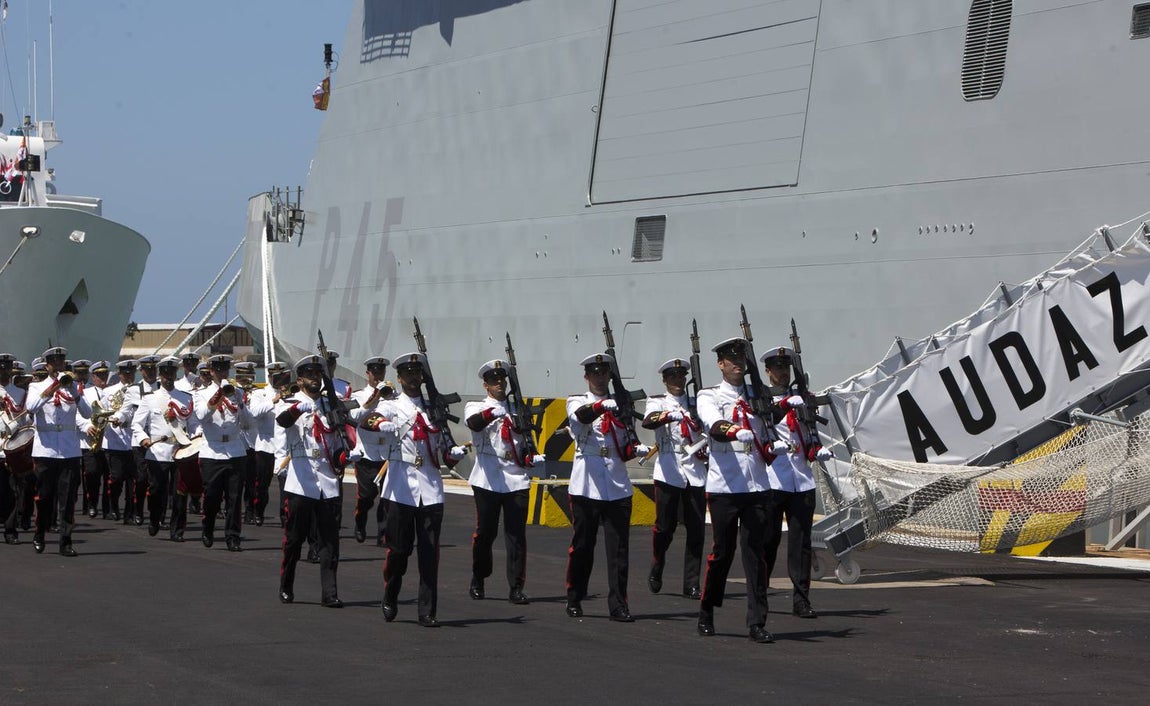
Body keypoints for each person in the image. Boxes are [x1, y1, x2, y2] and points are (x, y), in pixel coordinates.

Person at [696, 337, 784, 644]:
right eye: (731, 359)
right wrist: (735, 429)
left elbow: (773, 421)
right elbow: (714, 425)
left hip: (757, 485)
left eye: (741, 359)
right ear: (720, 364)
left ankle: (757, 621)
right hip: (724, 485)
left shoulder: (757, 395)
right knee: (722, 552)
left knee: (755, 556)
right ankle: (707, 610)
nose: (737, 363)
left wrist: (784, 406)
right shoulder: (709, 395)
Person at [377, 352, 467, 626]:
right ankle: (391, 593)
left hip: (430, 489)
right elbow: (370, 420)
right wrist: (382, 423)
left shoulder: (435, 410)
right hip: (400, 489)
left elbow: (445, 452)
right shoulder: (392, 406)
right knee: (399, 551)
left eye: (417, 373)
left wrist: (455, 453)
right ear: (400, 378)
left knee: (430, 553)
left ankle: (427, 611)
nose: (414, 378)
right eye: (408, 374)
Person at [564, 353, 648, 623]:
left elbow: (625, 438)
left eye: (605, 373)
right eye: (595, 373)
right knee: (583, 546)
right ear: (587, 376)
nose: (601, 377)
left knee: (619, 550)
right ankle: (575, 596)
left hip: (616, 482)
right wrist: (603, 407)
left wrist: (635, 447)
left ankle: (619, 604)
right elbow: (581, 417)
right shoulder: (577, 400)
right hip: (587, 483)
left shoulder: (622, 405)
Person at [759, 346, 832, 620]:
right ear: (767, 371)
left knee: (801, 544)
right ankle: (760, 590)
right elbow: (765, 418)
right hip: (773, 478)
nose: (782, 372)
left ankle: (801, 599)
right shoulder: (761, 398)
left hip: (801, 479)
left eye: (785, 368)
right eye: (777, 368)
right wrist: (784, 405)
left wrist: (817, 450)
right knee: (768, 540)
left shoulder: (803, 398)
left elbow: (810, 430)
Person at [464, 359, 545, 605]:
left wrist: (531, 455)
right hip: (488, 476)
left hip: (516, 476)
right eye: (494, 381)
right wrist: (490, 413)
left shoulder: (517, 408)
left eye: (502, 380)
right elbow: (473, 423)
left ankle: (516, 587)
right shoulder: (475, 406)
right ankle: (479, 577)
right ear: (486, 385)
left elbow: (524, 438)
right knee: (486, 533)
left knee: (516, 535)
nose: (499, 384)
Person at [275, 355, 344, 608]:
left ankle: (330, 593)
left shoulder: (332, 405)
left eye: (319, 374)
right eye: (310, 375)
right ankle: (286, 584)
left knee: (329, 542)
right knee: (294, 539)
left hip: (327, 480)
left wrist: (346, 455)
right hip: (301, 481)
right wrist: (296, 410)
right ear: (300, 379)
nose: (315, 379)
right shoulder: (291, 402)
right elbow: (281, 420)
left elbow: (338, 440)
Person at [642, 358, 707, 599]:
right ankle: (657, 564)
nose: (678, 381)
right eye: (673, 377)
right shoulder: (657, 402)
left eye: (681, 376)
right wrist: (669, 416)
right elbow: (648, 421)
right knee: (665, 528)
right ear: (665, 380)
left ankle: (691, 583)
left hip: (695, 469)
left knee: (696, 530)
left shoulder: (696, 402)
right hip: (669, 469)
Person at [24, 346, 91, 556]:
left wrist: (75, 392)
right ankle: (39, 534)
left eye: (61, 361)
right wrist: (52, 387)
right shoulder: (36, 387)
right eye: (55, 362)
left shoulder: (74, 387)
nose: (59, 365)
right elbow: (31, 407)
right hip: (45, 450)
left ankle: (66, 540)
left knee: (68, 498)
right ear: (47, 365)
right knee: (44, 497)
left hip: (70, 451)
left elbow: (87, 413)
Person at [193, 354, 252, 551]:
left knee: (234, 498)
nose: (222, 373)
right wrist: (219, 395)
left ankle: (233, 536)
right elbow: (202, 416)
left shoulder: (238, 392)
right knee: (211, 497)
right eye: (218, 369)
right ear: (211, 371)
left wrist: (240, 402)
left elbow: (248, 423)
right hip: (213, 451)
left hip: (235, 450)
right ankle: (208, 528)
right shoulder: (200, 393)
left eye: (225, 369)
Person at [132, 356, 193, 537]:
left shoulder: (185, 398)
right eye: (165, 373)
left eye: (172, 372)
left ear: (176, 374)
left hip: (181, 450)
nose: (168, 377)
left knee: (180, 492)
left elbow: (194, 423)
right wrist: (143, 438)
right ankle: (155, 518)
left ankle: (177, 530)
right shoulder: (151, 399)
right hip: (158, 451)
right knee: (157, 490)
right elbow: (136, 424)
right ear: (160, 375)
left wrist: (195, 439)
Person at [347, 355, 394, 544]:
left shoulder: (392, 395)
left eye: (381, 372)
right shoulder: (359, 395)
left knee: (386, 497)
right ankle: (360, 522)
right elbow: (354, 416)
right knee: (366, 497)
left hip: (387, 453)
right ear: (368, 373)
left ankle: (383, 534)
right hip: (367, 453)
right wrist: (373, 399)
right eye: (374, 372)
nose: (378, 375)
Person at [245, 361, 288, 527]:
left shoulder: (289, 393)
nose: (276, 378)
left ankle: (285, 516)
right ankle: (258, 511)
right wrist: (273, 401)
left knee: (286, 483)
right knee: (262, 483)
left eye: (280, 375)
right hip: (265, 443)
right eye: (273, 375)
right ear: (268, 375)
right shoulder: (259, 394)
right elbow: (253, 413)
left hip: (284, 445)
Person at [102, 360, 140, 523]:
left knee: (134, 480)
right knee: (116, 478)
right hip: (115, 438)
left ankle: (129, 513)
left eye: (131, 373)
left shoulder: (140, 390)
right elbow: (102, 412)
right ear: (120, 374)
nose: (129, 376)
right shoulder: (109, 391)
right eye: (126, 373)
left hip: (134, 438)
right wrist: (113, 419)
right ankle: (113, 506)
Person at [78, 360, 112, 519]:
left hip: (110, 440)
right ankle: (91, 503)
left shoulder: (114, 391)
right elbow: (77, 413)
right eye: (99, 375)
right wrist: (86, 426)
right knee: (92, 473)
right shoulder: (85, 392)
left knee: (109, 476)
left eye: (105, 374)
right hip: (90, 439)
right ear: (93, 376)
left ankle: (107, 508)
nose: (103, 378)